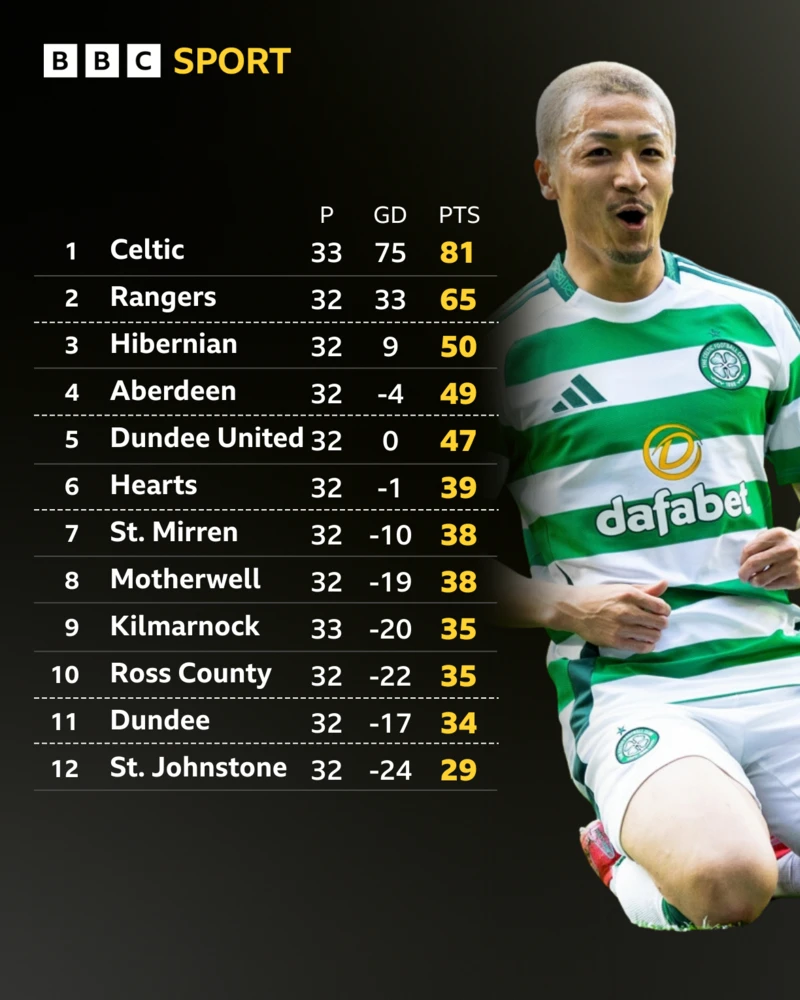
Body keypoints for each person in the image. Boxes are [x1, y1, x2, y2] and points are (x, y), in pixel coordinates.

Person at [492, 61, 800, 929]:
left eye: (649, 153)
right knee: (727, 886)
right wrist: (566, 608)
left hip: (779, 666)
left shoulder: (754, 321)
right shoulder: (508, 348)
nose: (630, 176)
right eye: (600, 153)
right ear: (548, 175)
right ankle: (646, 857)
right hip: (637, 691)